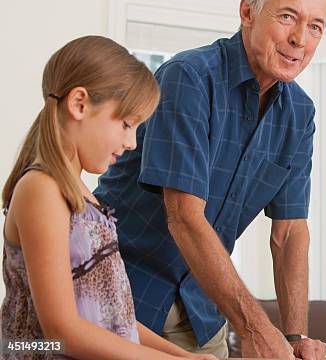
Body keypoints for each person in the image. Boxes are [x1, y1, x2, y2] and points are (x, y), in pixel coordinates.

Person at [94, 0, 326, 360]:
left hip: (203, 311)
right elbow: (185, 217)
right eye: (288, 16)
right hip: (125, 297)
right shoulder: (188, 77)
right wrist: (257, 330)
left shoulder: (300, 114)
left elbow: (290, 232)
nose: (300, 39)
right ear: (247, 12)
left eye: (315, 26)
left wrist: (294, 340)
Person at [1, 36, 216, 360]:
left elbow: (117, 320)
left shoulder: (80, 195)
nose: (131, 142)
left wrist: (185, 356)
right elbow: (60, 333)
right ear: (79, 104)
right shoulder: (42, 189)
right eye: (126, 124)